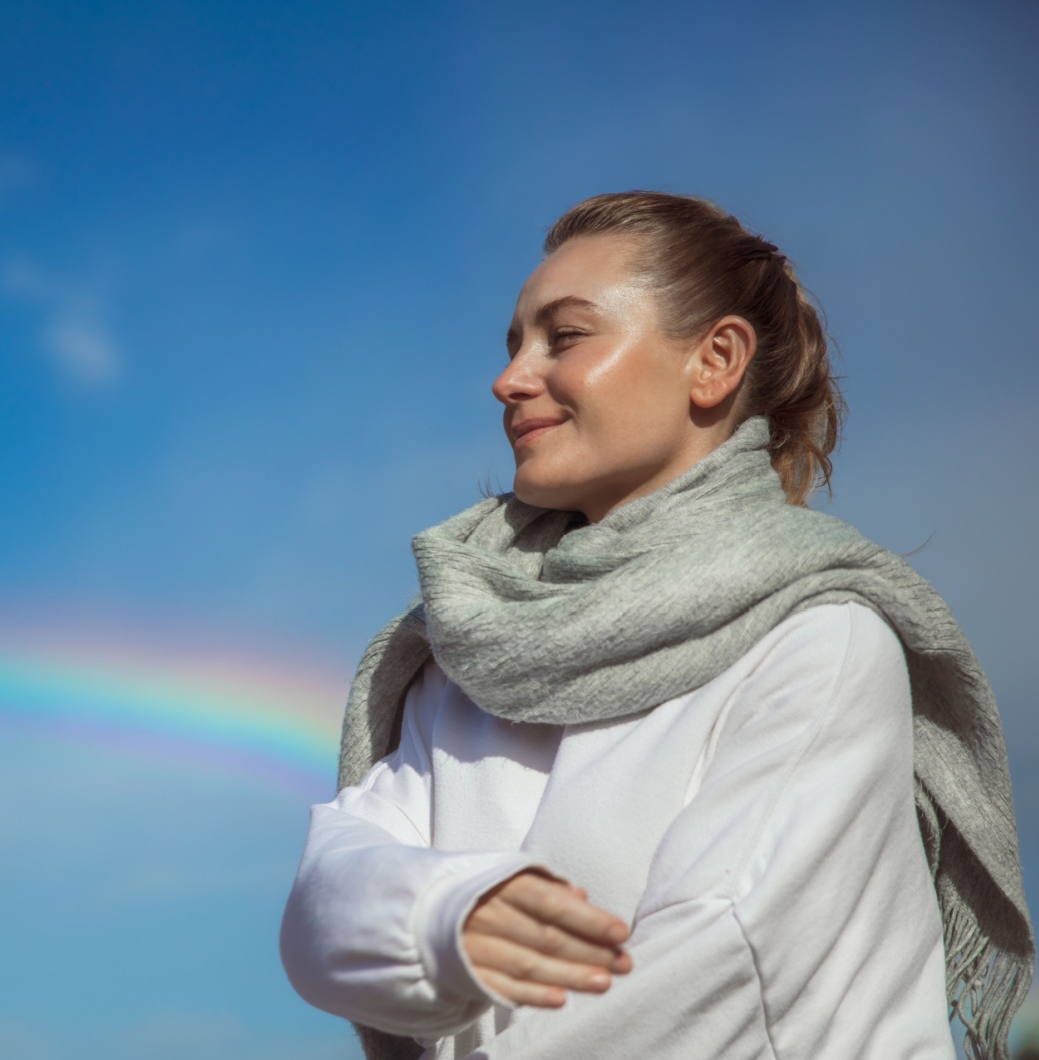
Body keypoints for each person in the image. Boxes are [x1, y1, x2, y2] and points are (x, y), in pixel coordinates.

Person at [278, 192, 1033, 1060]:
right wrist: (444, 917)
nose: (509, 377)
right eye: (514, 344)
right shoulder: (461, 659)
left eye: (564, 337)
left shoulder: (822, 636)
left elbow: (730, 961)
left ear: (714, 361)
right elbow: (327, 893)